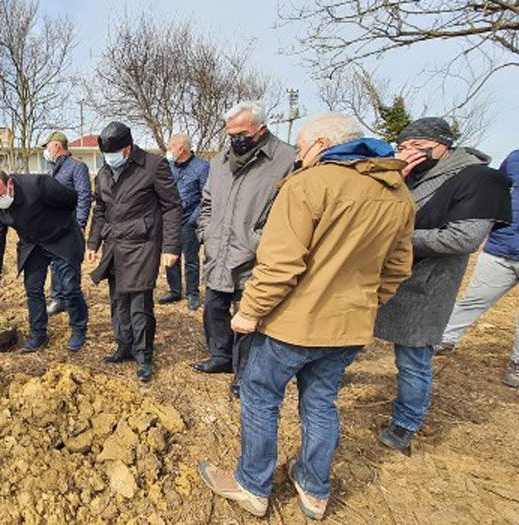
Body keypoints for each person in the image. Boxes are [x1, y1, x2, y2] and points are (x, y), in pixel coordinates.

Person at [199, 113, 416, 520]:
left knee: (259, 396)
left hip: (292, 326)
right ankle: (315, 489)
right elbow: (398, 267)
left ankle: (252, 485)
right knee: (320, 402)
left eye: (301, 148)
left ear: (322, 144)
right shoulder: (397, 194)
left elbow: (280, 265)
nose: (298, 156)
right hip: (349, 327)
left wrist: (250, 311)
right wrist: (363, 303)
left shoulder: (307, 185)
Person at [375, 118, 512, 452]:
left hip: (426, 283)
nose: (406, 152)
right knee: (348, 339)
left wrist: (396, 238)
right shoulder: (405, 175)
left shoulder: (478, 179)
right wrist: (395, 180)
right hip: (380, 276)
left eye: (413, 146)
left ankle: (406, 422)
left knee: (412, 358)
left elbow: (463, 238)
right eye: (402, 147)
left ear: (440, 145)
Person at [192, 101, 295, 398]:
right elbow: (207, 202)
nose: (235, 139)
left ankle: (244, 373)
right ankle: (221, 356)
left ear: (261, 129)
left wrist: (260, 240)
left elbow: (288, 209)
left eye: (242, 134)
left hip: (255, 256)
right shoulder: (220, 161)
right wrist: (206, 232)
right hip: (219, 251)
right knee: (214, 309)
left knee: (248, 317)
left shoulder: (286, 159)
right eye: (230, 134)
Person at [87, 122, 182, 382]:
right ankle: (124, 346)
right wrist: (93, 243)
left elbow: (172, 207)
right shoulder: (104, 172)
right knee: (118, 300)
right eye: (106, 154)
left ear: (127, 149)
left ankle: (143, 356)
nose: (109, 158)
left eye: (113, 153)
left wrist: (170, 247)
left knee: (139, 303)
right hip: (114, 245)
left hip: (142, 244)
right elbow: (100, 210)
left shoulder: (153, 166)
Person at [437, 149, 519, 388]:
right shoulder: (514, 158)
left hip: (503, 245)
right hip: (501, 248)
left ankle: (517, 365)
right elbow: (498, 190)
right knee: (472, 300)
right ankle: (444, 338)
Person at [0, 169, 88, 352]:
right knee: (33, 289)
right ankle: (38, 334)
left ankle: (78, 330)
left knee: (70, 288)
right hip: (32, 244)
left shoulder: (38, 185)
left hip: (61, 238)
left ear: (10, 184)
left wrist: (65, 222)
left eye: (0, 195)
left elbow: (71, 199)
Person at [41, 131, 92, 317]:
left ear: (56, 145)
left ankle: (73, 302)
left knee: (69, 264)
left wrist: (80, 223)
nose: (46, 150)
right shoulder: (53, 168)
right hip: (53, 226)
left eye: (47, 146)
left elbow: (84, 195)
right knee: (55, 263)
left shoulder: (77, 166)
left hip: (71, 226)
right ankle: (58, 299)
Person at [160, 133, 209, 311]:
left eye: (171, 146)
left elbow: (206, 197)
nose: (168, 149)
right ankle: (174, 291)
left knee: (191, 259)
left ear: (181, 149)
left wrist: (193, 220)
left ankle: (192, 293)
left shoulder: (202, 168)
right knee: (170, 255)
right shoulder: (168, 166)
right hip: (170, 221)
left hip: (190, 220)